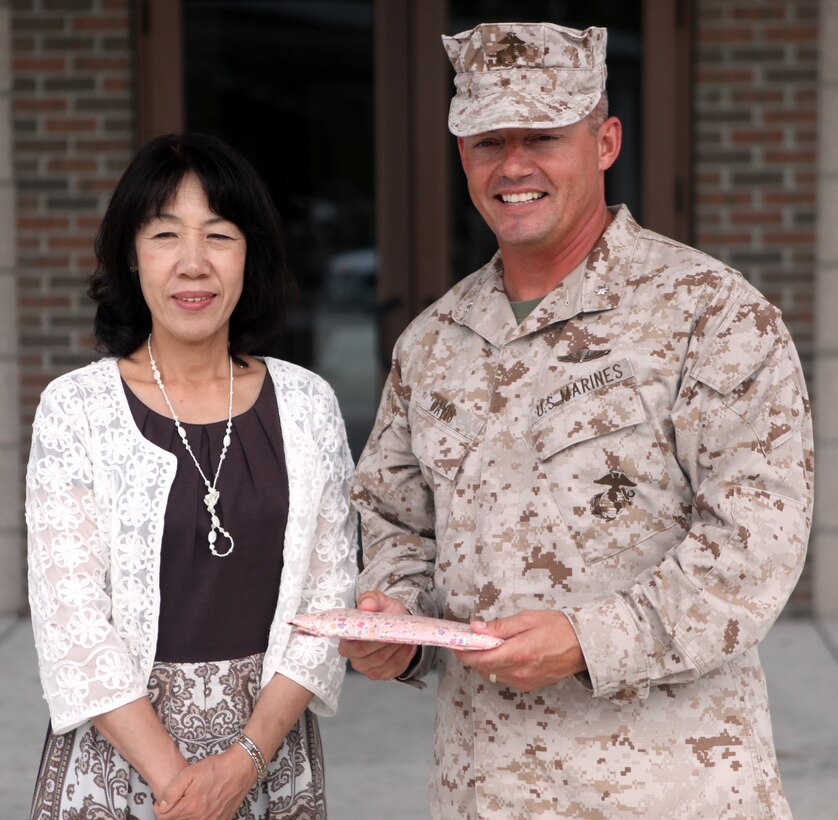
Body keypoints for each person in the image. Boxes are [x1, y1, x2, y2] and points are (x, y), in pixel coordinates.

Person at [340, 22, 814, 818]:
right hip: (483, 788)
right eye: (489, 140)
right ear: (463, 155)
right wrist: (392, 620)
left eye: (545, 137)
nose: (513, 166)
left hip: (669, 791)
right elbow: (395, 526)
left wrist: (590, 639)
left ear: (605, 141)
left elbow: (753, 546)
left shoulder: (712, 316)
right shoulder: (432, 345)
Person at [26, 132, 357, 819]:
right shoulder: (76, 409)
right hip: (119, 773)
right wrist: (179, 786)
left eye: (220, 235)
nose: (193, 263)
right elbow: (73, 622)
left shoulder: (307, 405)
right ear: (130, 254)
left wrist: (244, 764)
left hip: (270, 763)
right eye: (165, 235)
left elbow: (329, 601)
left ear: (251, 255)